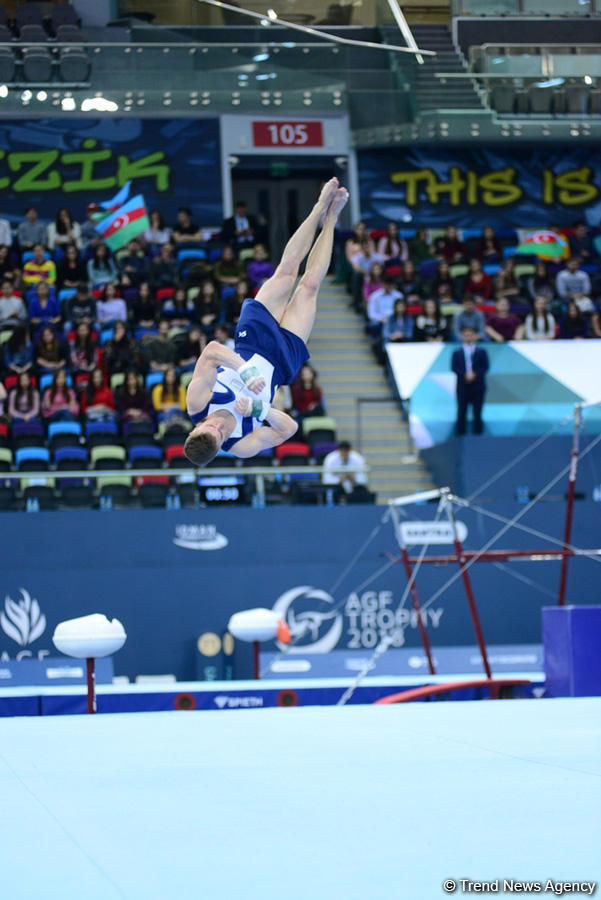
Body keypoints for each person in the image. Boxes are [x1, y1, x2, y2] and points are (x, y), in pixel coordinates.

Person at [184, 177, 347, 464]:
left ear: (197, 426)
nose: (221, 426)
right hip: (282, 362)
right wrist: (261, 410)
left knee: (286, 271)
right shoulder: (240, 445)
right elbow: (289, 429)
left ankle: (319, 206)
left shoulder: (198, 403)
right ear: (222, 444)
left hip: (253, 341)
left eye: (212, 426)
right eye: (221, 434)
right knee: (309, 286)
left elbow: (211, 351)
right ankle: (332, 217)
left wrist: (244, 370)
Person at [451, 327, 489, 435]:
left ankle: (478, 439)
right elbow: (454, 367)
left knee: (477, 413)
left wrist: (475, 374)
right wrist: (465, 374)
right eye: (466, 335)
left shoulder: (481, 352)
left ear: (474, 336)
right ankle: (460, 439)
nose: (468, 337)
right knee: (461, 412)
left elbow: (485, 367)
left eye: (470, 335)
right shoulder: (457, 353)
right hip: (463, 386)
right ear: (462, 337)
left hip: (478, 386)